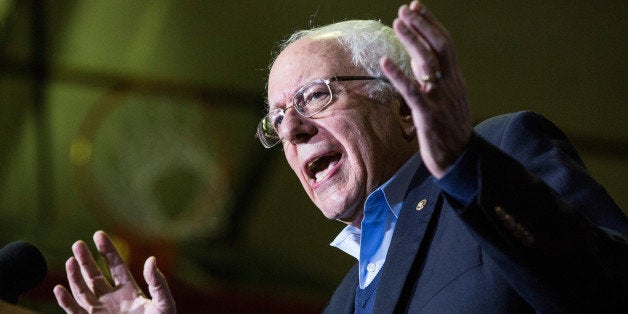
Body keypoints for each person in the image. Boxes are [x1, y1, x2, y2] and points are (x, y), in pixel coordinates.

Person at [54, 1, 628, 313]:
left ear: (402, 105)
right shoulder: (341, 302)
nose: (294, 130)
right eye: (276, 121)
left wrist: (464, 165)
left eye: (315, 97)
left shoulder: (500, 152)